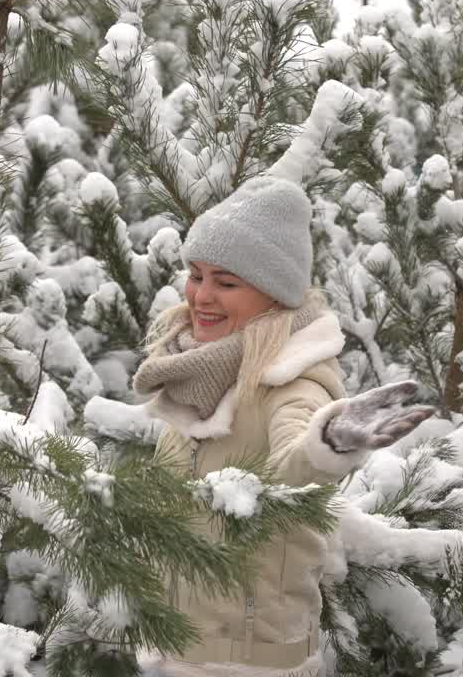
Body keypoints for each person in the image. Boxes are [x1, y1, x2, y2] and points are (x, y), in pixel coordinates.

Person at [132, 176, 436, 677]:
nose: (201, 296)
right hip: (174, 646)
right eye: (196, 274)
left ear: (273, 294)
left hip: (247, 660)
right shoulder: (200, 369)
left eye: (226, 283)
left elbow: (289, 469)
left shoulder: (294, 379)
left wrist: (327, 442)